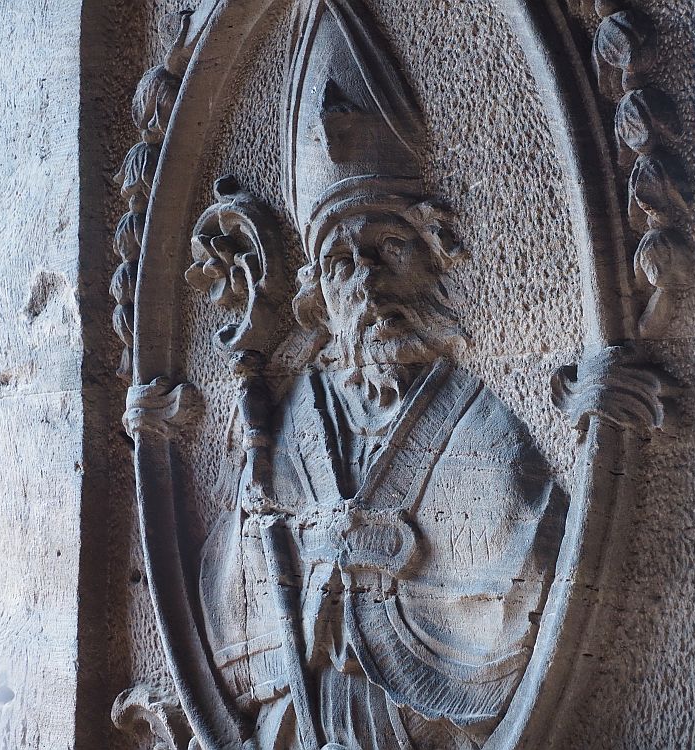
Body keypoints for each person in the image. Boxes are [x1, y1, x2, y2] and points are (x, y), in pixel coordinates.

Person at [199, 1, 565, 747]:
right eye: (339, 263)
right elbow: (243, 606)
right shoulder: (291, 419)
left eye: (389, 248)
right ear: (317, 294)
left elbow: (524, 560)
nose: (364, 286)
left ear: (433, 258)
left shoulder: (475, 422)